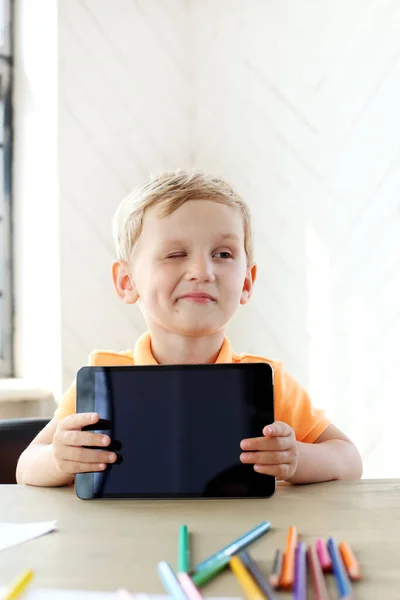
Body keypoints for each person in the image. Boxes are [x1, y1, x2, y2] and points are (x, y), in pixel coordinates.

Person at [16, 170, 363, 487]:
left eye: (223, 254)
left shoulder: (269, 382)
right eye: (175, 253)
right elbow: (26, 465)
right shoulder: (103, 380)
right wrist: (60, 459)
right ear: (126, 281)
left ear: (246, 282)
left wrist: (298, 459)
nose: (202, 271)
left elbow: (349, 460)